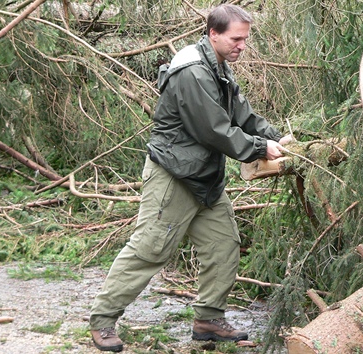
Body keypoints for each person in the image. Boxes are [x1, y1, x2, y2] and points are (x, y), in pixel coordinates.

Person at [89, 4, 292, 352]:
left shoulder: (219, 69)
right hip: (174, 175)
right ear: (214, 34)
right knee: (150, 249)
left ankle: (208, 320)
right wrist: (261, 148)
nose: (242, 45)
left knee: (223, 245)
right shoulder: (193, 73)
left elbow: (243, 116)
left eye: (245, 39)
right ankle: (103, 320)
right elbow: (215, 130)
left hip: (205, 177)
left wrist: (282, 138)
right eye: (236, 39)